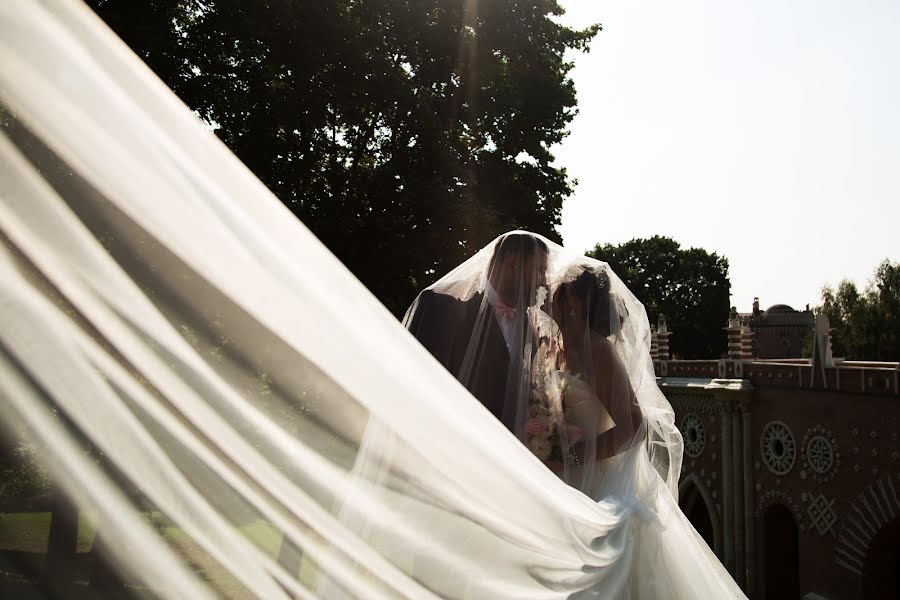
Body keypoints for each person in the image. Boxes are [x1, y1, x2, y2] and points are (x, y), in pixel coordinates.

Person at [403, 231, 549, 436]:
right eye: (540, 271)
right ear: (513, 263)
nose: (544, 282)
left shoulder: (530, 330)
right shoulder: (441, 306)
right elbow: (414, 386)